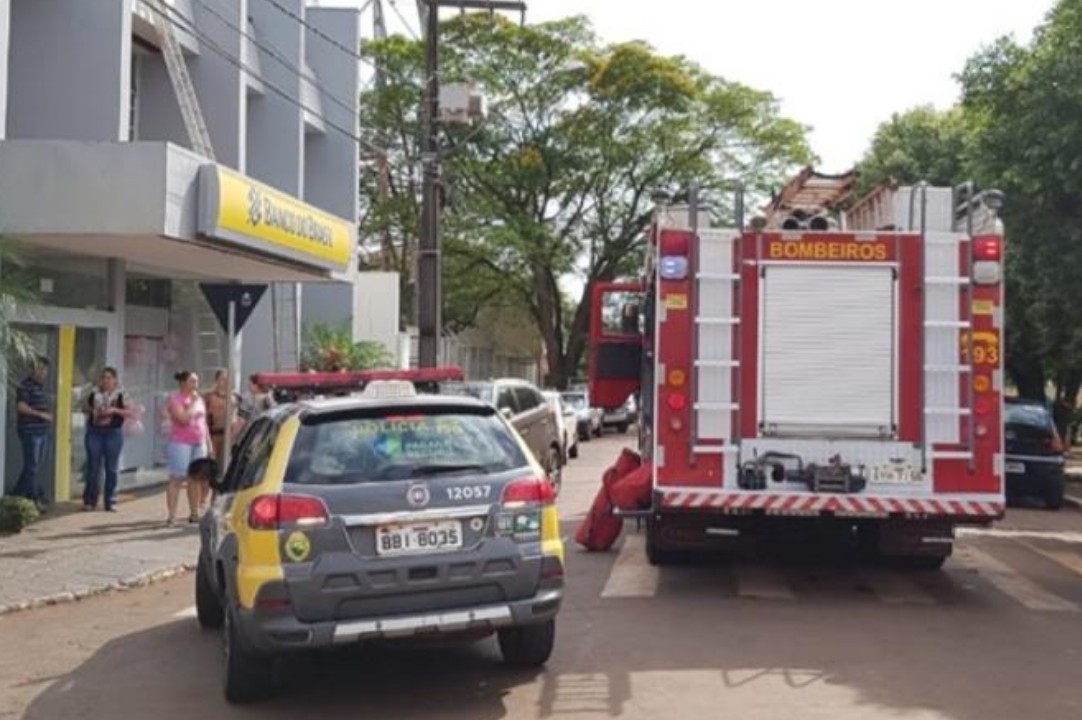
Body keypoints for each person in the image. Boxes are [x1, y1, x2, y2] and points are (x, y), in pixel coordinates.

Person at [165, 371, 212, 526]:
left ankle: (194, 513)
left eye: (197, 381)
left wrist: (208, 443)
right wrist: (191, 403)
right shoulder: (175, 398)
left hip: (199, 442)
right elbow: (183, 419)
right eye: (192, 381)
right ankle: (172, 516)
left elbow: (203, 422)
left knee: (195, 478)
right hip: (180, 442)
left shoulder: (199, 399)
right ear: (183, 383)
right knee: (177, 478)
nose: (196, 385)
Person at [82, 367, 131, 512]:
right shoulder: (92, 391)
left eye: (109, 378)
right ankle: (90, 500)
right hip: (94, 432)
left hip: (113, 433)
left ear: (115, 380)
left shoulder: (122, 393)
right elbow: (83, 407)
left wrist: (114, 410)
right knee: (93, 467)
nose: (106, 380)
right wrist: (92, 411)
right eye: (103, 377)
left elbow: (130, 412)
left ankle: (110, 500)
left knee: (111, 468)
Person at [13, 357, 53, 510]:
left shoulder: (39, 387)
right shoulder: (25, 386)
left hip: (41, 432)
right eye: (39, 368)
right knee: (32, 467)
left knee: (32, 467)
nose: (42, 372)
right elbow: (21, 407)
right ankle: (35, 499)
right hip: (30, 432)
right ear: (32, 369)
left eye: (44, 369)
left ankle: (16, 497)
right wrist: (42, 415)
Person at [204, 369, 244, 467]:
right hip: (213, 435)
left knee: (227, 464)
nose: (226, 382)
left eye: (228, 379)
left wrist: (235, 433)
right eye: (223, 379)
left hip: (230, 436)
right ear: (217, 381)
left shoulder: (236, 397)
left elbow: (242, 417)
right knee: (212, 462)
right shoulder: (209, 397)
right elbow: (203, 417)